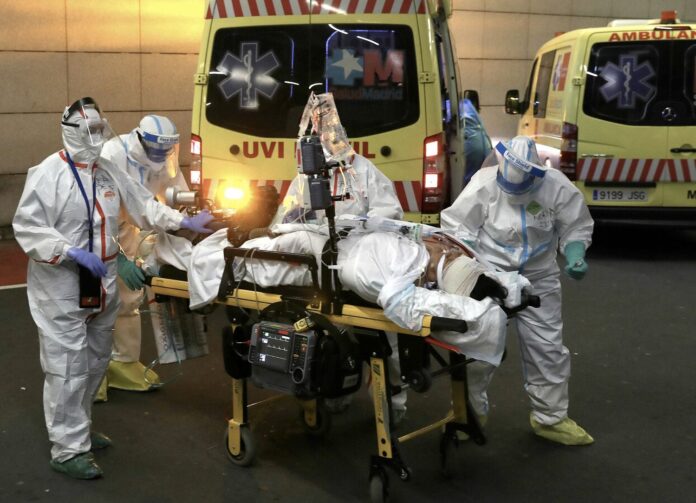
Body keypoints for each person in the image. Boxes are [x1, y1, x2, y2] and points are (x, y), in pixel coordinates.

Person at [12, 97, 214, 479]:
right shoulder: (47, 174)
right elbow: (28, 227)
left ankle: (80, 428)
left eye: (99, 128)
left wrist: (186, 221)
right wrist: (68, 251)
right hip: (62, 284)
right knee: (67, 367)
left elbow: (143, 207)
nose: (96, 137)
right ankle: (68, 448)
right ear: (70, 132)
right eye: (88, 131)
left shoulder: (107, 170)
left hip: (101, 278)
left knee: (95, 360)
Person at [441, 135, 595, 446]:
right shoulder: (484, 185)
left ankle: (550, 418)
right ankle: (468, 414)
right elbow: (458, 228)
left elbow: (575, 226)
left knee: (547, 348)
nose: (515, 193)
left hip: (539, 275)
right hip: (492, 275)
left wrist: (576, 255)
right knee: (477, 345)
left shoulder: (557, 186)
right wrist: (467, 264)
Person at [95, 115, 188, 400]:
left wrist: (187, 218)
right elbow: (100, 213)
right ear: (141, 140)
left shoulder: (165, 156)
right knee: (95, 302)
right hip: (99, 231)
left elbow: (175, 193)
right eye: (157, 149)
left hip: (129, 227)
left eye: (166, 150)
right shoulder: (114, 154)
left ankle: (123, 362)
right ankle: (93, 374)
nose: (162, 156)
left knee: (127, 298)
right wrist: (118, 257)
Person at [461, 98, 492, 185]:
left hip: (472, 147)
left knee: (469, 182)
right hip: (486, 150)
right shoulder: (468, 106)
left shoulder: (456, 108)